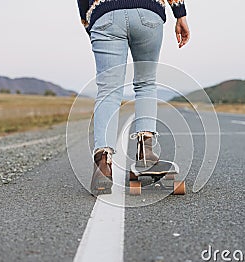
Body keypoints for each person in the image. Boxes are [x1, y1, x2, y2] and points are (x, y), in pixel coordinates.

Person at [77, 0, 190, 195]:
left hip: (104, 13)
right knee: (146, 84)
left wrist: (91, 23)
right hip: (148, 11)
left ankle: (103, 164)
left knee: (108, 90)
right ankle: (146, 153)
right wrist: (180, 14)